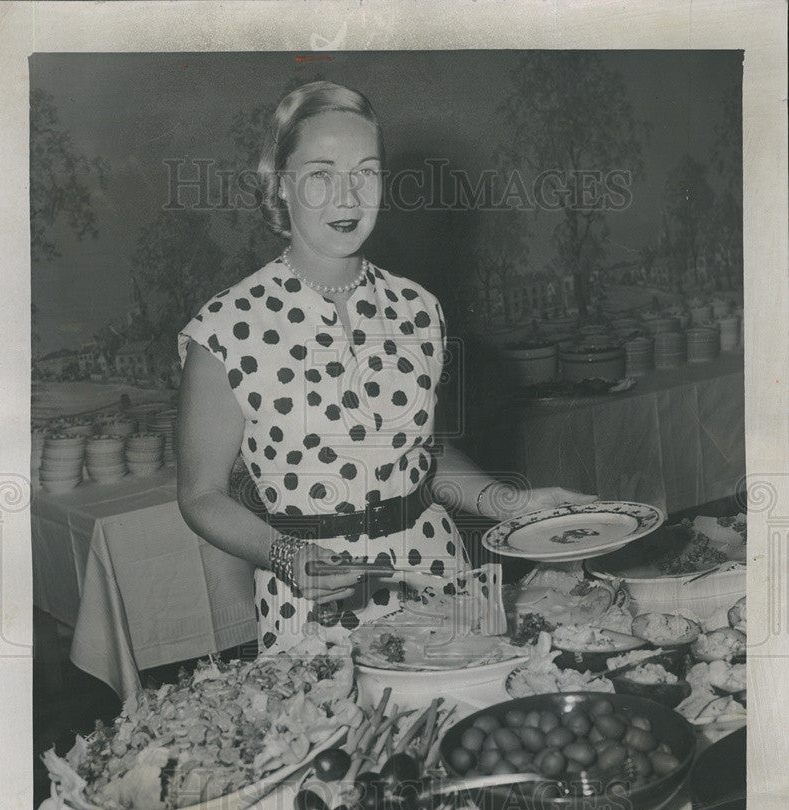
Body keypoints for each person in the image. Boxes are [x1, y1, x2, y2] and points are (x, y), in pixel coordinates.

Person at [177, 81, 592, 652]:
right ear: (280, 185)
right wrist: (288, 557)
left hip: (440, 581)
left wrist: (513, 504)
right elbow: (200, 495)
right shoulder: (227, 328)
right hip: (315, 602)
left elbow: (417, 453)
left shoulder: (418, 307)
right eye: (322, 174)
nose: (348, 197)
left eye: (366, 172)